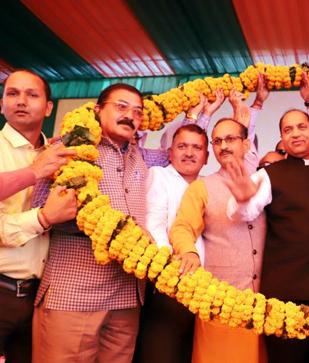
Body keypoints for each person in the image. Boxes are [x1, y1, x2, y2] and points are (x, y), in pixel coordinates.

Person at [30, 83, 170, 363]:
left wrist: (200, 115)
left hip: (127, 297)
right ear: (97, 110)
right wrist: (109, 233)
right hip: (75, 293)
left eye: (137, 112)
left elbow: (182, 155)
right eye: (121, 107)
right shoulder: (71, 146)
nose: (130, 115)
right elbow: (41, 207)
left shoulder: (140, 155)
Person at [225, 103, 309, 363]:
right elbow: (240, 212)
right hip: (285, 295)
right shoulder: (269, 175)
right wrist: (242, 198)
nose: (295, 133)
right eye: (288, 129)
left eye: (301, 127)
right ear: (282, 137)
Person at [169, 117, 266, 363]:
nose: (223, 146)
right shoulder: (201, 187)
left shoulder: (266, 182)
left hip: (265, 303)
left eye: (230, 139)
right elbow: (182, 227)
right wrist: (188, 252)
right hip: (220, 301)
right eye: (218, 141)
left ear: (246, 144)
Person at [0, 69, 77, 362]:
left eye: (31, 95)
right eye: (12, 93)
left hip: (39, 299)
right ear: (1, 103)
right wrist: (43, 218)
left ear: (48, 107)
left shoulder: (60, 153)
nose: (21, 101)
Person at [134, 124, 210, 363]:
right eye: (182, 146)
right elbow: (153, 225)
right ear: (170, 152)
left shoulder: (209, 185)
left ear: (207, 157)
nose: (189, 153)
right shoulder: (159, 175)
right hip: (169, 287)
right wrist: (172, 269)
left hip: (205, 292)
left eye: (197, 147)